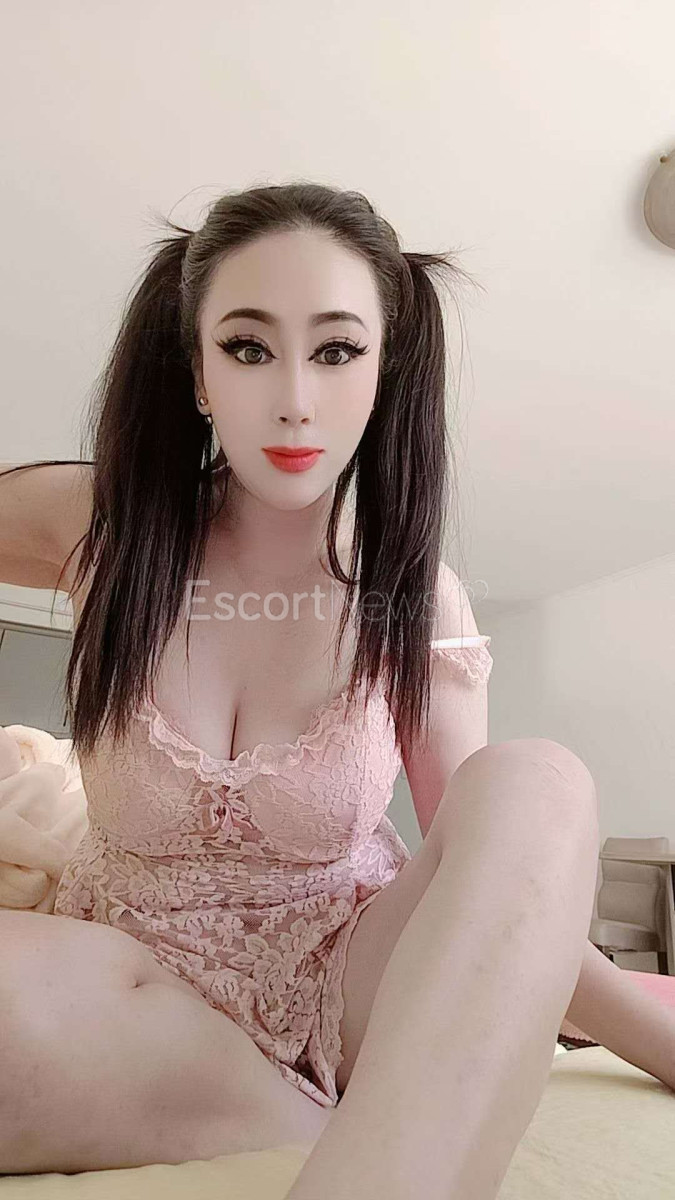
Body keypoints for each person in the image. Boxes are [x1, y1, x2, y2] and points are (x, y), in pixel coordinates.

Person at [0, 181, 673, 1196]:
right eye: (247, 347)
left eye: (336, 350)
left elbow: (499, 893)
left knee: (535, 782)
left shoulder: (417, 595)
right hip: (134, 994)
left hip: (350, 983)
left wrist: (651, 1034)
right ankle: (308, 1125)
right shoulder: (102, 527)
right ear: (196, 372)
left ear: (383, 369)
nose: (294, 399)